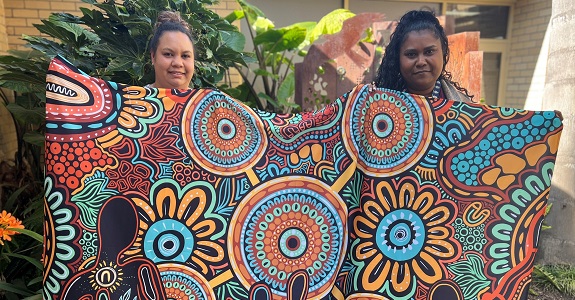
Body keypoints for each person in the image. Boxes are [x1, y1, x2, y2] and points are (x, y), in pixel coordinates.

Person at [374, 10, 474, 102]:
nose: (421, 62)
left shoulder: (466, 109)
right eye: (411, 54)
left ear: (443, 52)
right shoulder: (380, 103)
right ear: (398, 58)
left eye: (429, 52)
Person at [148, 11, 195, 89]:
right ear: (153, 56)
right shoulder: (131, 100)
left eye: (185, 56)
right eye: (168, 54)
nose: (178, 63)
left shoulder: (208, 100)